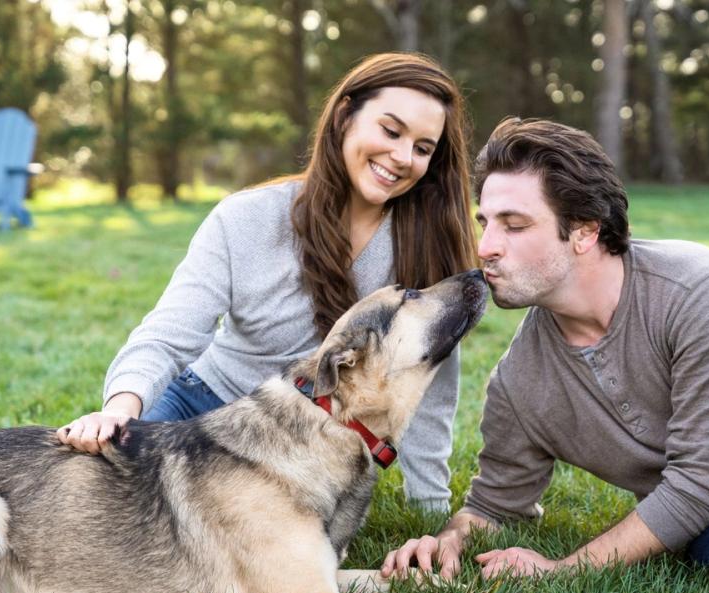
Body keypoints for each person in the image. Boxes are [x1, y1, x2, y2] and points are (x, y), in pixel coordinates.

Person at [379, 117, 709, 593]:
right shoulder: (520, 383)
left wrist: (565, 569)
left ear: (585, 231)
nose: (486, 246)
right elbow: (496, 506)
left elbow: (706, 470)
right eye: (485, 222)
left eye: (514, 225)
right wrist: (447, 541)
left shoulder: (696, 287)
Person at [56, 53, 479, 511]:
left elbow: (429, 374)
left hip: (317, 440)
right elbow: (169, 333)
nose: (401, 157)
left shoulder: (421, 243)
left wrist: (430, 506)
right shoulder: (247, 218)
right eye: (390, 131)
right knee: (103, 502)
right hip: (204, 412)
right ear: (344, 117)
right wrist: (120, 411)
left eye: (422, 148)